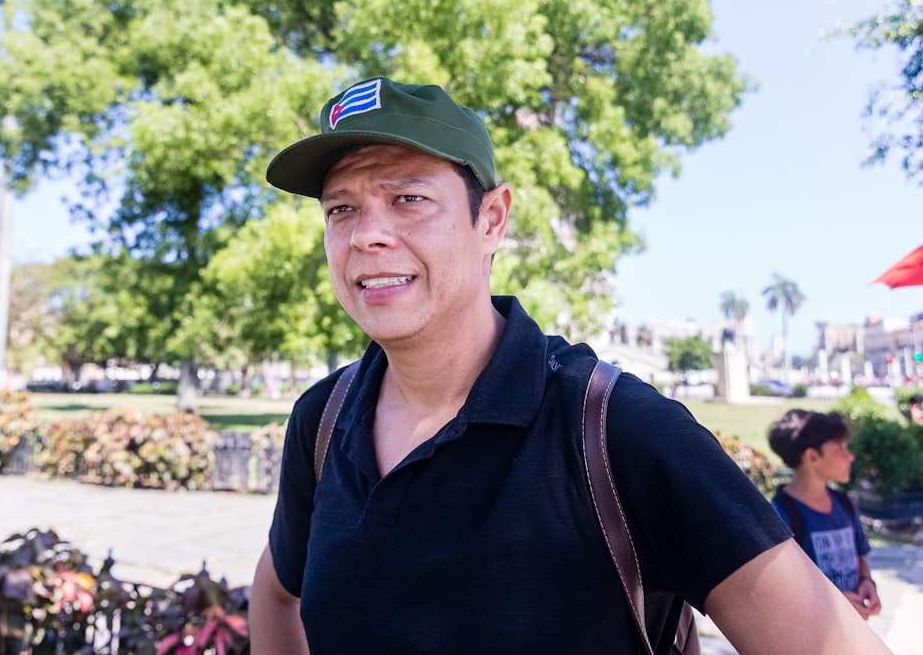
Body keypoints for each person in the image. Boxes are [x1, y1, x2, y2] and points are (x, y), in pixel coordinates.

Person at [248, 77, 892, 653]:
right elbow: (279, 595)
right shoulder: (324, 420)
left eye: (409, 198)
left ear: (492, 219)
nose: (365, 235)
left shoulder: (619, 432)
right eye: (341, 208)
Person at [768, 409, 882, 620]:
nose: (850, 456)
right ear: (812, 457)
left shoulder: (844, 504)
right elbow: (780, 591)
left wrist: (867, 581)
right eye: (840, 449)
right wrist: (834, 605)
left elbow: (858, 557)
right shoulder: (781, 515)